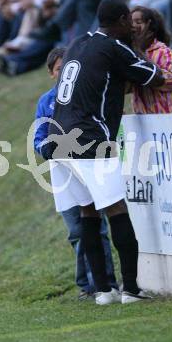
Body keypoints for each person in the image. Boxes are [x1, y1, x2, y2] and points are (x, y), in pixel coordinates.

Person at [45, 0, 164, 305]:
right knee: (116, 209)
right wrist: (137, 46)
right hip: (89, 138)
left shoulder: (77, 43)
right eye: (131, 22)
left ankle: (103, 291)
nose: (133, 27)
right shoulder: (115, 46)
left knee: (87, 210)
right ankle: (131, 289)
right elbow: (154, 76)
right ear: (124, 20)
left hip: (57, 138)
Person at [34, 47, 118, 300]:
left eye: (67, 67)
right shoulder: (46, 101)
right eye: (58, 69)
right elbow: (38, 137)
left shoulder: (85, 95)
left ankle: (106, 283)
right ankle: (86, 284)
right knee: (76, 230)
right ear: (52, 73)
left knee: (96, 226)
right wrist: (46, 147)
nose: (63, 74)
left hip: (88, 168)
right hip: (63, 175)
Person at [131, 6, 172, 113]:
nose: (133, 26)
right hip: (143, 116)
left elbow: (171, 80)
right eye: (131, 22)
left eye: (138, 22)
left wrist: (139, 52)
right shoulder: (129, 52)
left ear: (150, 30)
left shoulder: (163, 51)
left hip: (166, 114)